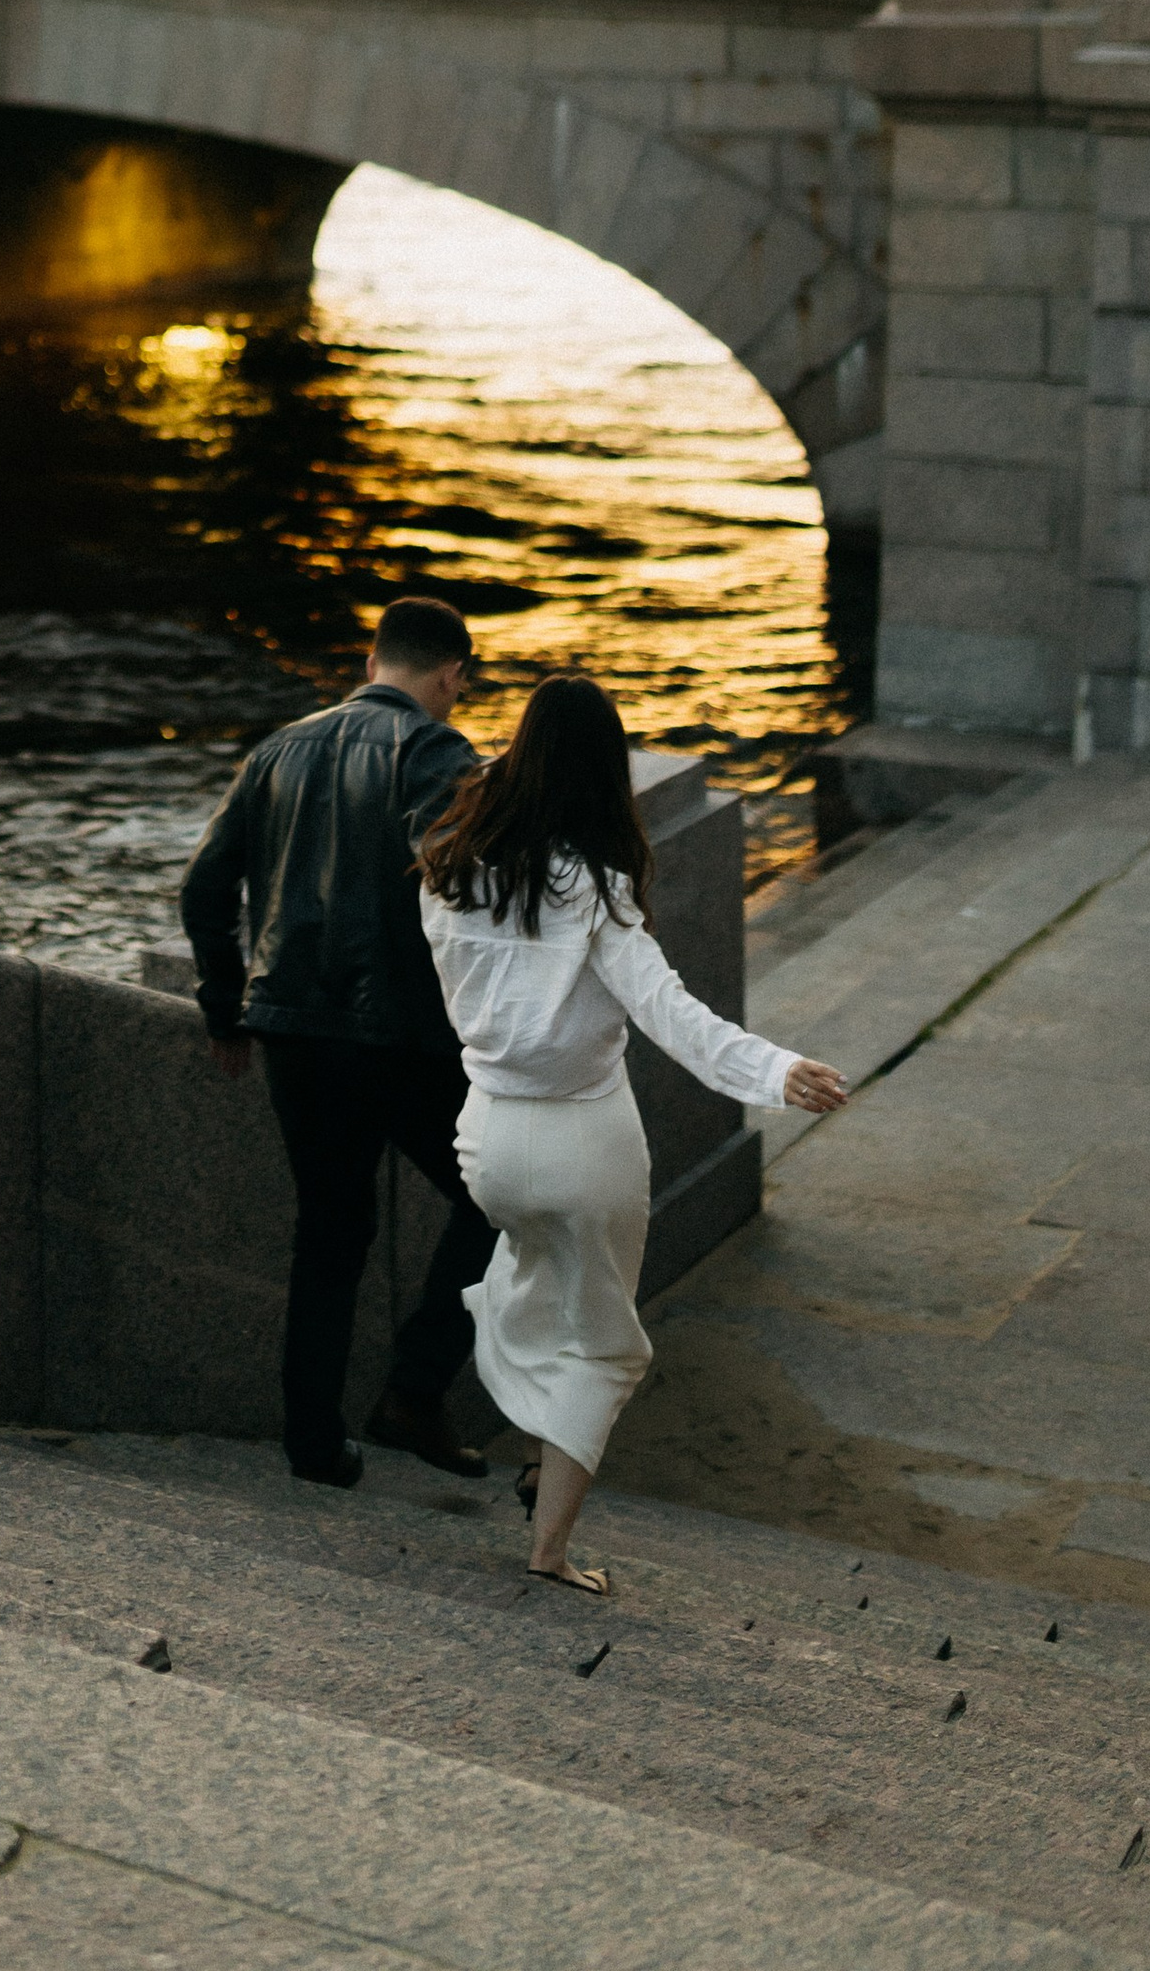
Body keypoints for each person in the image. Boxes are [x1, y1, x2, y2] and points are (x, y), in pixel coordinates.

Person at [415, 669, 848, 1595]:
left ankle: (541, 1457)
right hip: (584, 1144)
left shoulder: (448, 870)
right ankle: (551, 1551)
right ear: (603, 774)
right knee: (608, 1344)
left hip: (486, 1141)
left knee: (535, 1291)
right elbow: (671, 1013)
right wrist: (776, 1071)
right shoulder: (594, 891)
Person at [179, 594, 500, 1490]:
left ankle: (314, 1446)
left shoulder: (277, 749)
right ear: (451, 675)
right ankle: (414, 1389)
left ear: (371, 664)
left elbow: (205, 889)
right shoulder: (437, 749)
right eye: (458, 687)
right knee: (501, 1198)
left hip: (290, 1032)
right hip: (400, 1034)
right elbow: (454, 874)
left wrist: (224, 1006)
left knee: (328, 1232)